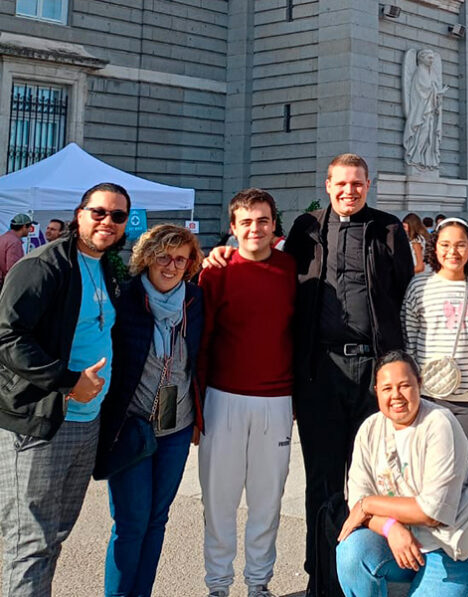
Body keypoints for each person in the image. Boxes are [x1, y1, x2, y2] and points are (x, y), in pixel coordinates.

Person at [275, 153, 413, 595]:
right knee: (322, 477)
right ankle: (322, 576)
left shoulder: (388, 228)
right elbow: (279, 275)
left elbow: (405, 293)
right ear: (328, 184)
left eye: (357, 184)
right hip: (322, 370)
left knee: (371, 476)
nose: (348, 191)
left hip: (373, 371)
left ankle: (360, 571)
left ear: (368, 186)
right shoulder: (306, 229)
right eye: (341, 184)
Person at [0, 182, 129, 597]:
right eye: (99, 212)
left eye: (117, 216)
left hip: (84, 423)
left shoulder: (105, 264)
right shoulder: (43, 265)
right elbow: (7, 336)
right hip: (39, 423)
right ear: (79, 214)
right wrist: (69, 381)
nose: (107, 222)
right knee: (30, 545)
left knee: (53, 539)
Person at [95, 224, 204, 597]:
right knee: (131, 522)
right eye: (163, 257)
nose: (170, 266)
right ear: (146, 257)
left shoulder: (194, 299)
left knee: (157, 520)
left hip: (176, 425)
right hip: (130, 426)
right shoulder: (124, 299)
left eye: (180, 259)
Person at [198, 189, 296, 597]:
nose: (255, 228)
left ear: (274, 225)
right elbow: (199, 339)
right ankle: (218, 585)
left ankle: (259, 584)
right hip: (223, 399)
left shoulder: (293, 269)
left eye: (263, 220)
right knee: (219, 502)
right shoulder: (215, 272)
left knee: (267, 500)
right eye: (246, 222)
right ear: (233, 228)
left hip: (277, 400)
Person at [336, 351, 468, 597]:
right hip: (402, 542)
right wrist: (390, 527)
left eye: (404, 386)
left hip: (450, 546)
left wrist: (368, 504)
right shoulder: (370, 429)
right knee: (351, 551)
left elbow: (431, 513)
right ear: (376, 390)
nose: (396, 395)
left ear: (419, 384)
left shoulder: (439, 423)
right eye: (387, 388)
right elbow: (356, 510)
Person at [402, 218, 468, 465]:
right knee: (428, 469)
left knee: (467, 470)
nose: (452, 252)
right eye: (445, 244)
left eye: (460, 245)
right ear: (434, 247)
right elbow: (409, 339)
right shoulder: (419, 286)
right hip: (429, 394)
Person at [0, 213, 36, 286]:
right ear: (23, 227)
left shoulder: (3, 238)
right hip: (6, 284)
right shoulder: (14, 242)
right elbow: (12, 268)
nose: (30, 230)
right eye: (29, 227)